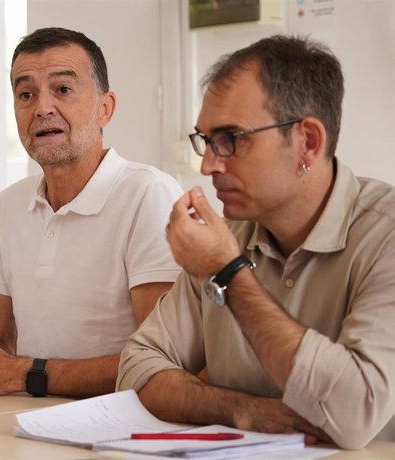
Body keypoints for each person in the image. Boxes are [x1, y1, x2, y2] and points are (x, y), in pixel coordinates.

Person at [117, 35, 395, 449]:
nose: (209, 164)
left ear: (308, 143)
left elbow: (354, 416)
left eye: (231, 138)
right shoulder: (225, 238)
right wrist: (238, 409)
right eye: (206, 141)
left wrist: (229, 272)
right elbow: (137, 367)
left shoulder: (385, 235)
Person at [0, 27, 182, 398]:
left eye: (63, 90)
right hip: (27, 415)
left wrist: (21, 375)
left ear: (105, 108)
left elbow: (160, 360)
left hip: (121, 424)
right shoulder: (11, 203)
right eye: (25, 94)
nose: (42, 108)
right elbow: (0, 338)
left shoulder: (148, 193)